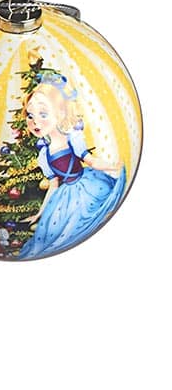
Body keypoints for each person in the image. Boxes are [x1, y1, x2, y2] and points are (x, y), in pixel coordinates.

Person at [16, 75, 127, 259]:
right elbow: (53, 185)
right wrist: (40, 213)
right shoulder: (44, 155)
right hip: (64, 199)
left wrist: (112, 167)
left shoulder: (72, 138)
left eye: (43, 114)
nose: (35, 122)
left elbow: (91, 161)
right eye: (30, 115)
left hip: (87, 187)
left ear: (59, 114)